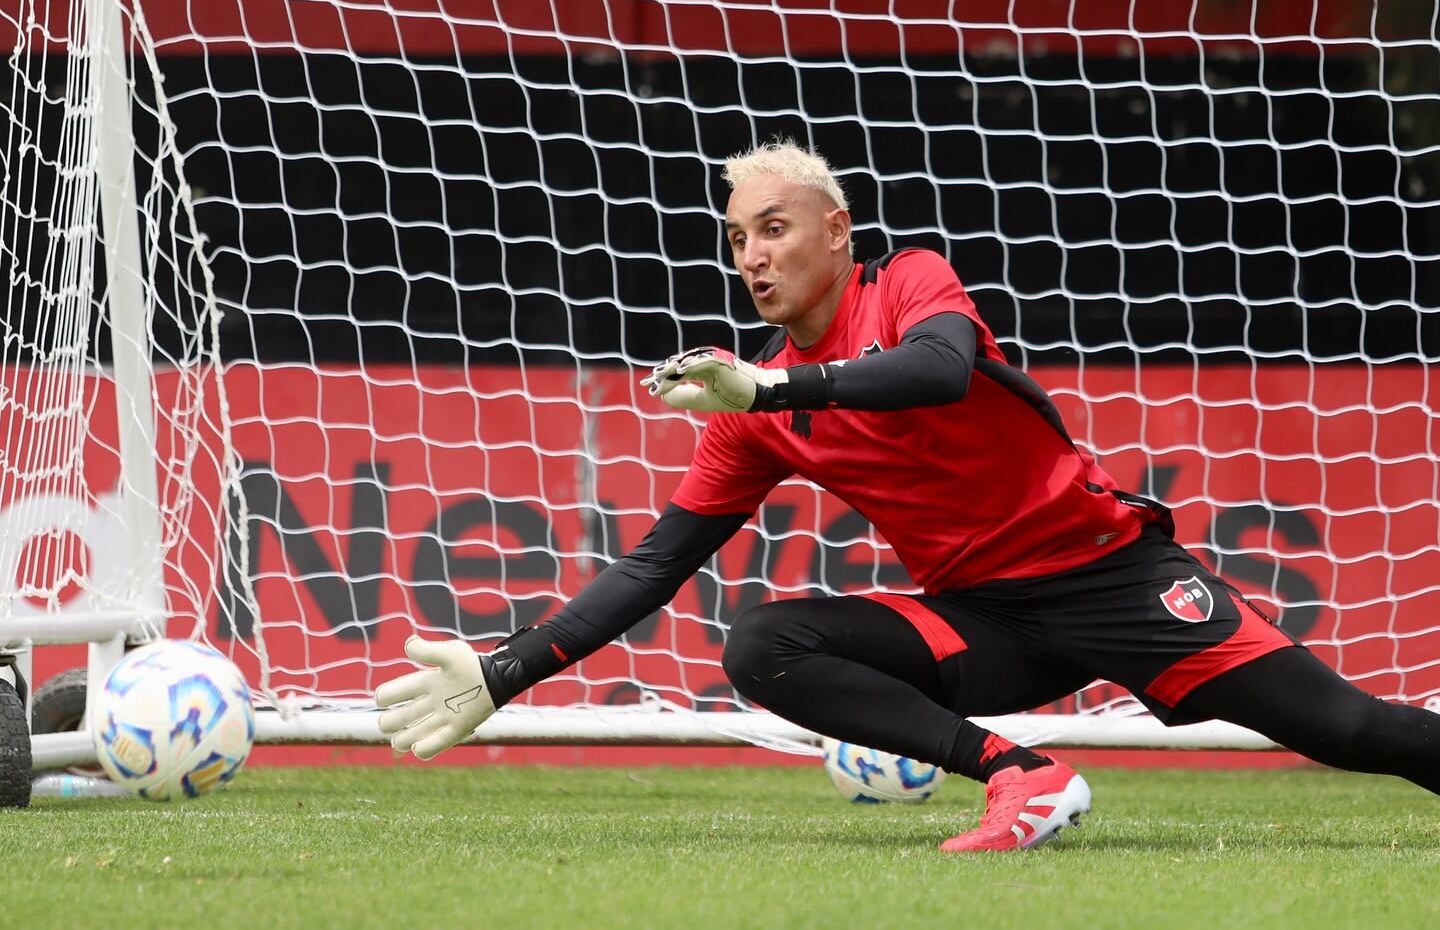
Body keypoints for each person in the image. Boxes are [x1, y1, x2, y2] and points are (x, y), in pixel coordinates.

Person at [375, 139, 1440, 853]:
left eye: (775, 228)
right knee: (762, 643)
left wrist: (778, 384)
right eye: (737, 237)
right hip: (990, 624)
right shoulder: (748, 409)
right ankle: (1022, 776)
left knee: (1357, 730)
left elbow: (934, 371)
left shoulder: (908, 286)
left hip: (1115, 577)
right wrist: (507, 667)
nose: (753, 254)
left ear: (837, 231)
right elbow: (655, 563)